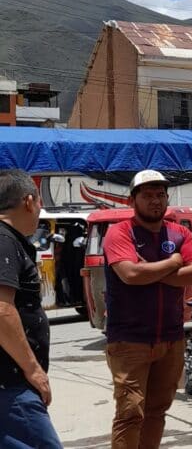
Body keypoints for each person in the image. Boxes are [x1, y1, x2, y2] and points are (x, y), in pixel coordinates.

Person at [103, 170, 192, 448]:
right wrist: (173, 263)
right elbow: (131, 275)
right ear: (131, 200)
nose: (155, 201)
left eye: (160, 195)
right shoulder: (119, 233)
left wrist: (150, 271)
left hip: (171, 339)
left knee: (157, 411)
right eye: (147, 195)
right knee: (130, 413)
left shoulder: (180, 233)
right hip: (129, 340)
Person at [0, 170, 61, 448]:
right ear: (28, 201)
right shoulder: (4, 240)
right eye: (39, 202)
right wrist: (33, 369)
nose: (40, 210)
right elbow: (1, 310)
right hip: (10, 386)